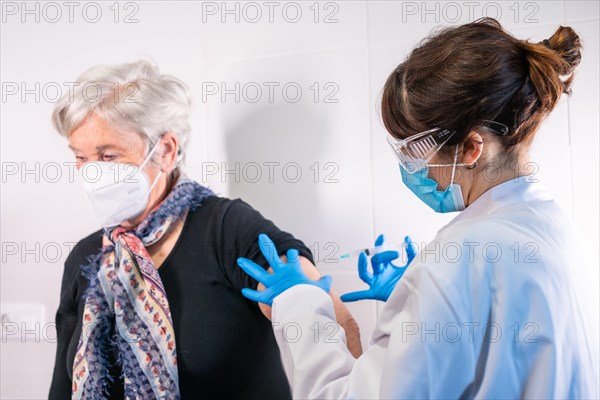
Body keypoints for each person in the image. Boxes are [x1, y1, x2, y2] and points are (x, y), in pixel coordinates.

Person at [236, 18, 600, 398]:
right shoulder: (563, 236)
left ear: (472, 148)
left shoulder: (456, 261)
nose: (409, 166)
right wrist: (420, 306)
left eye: (414, 150)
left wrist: (301, 302)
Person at [48, 60, 362, 400]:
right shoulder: (89, 257)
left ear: (165, 150)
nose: (91, 173)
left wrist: (297, 300)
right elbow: (62, 388)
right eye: (80, 157)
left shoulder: (227, 229)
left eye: (108, 156)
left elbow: (337, 325)